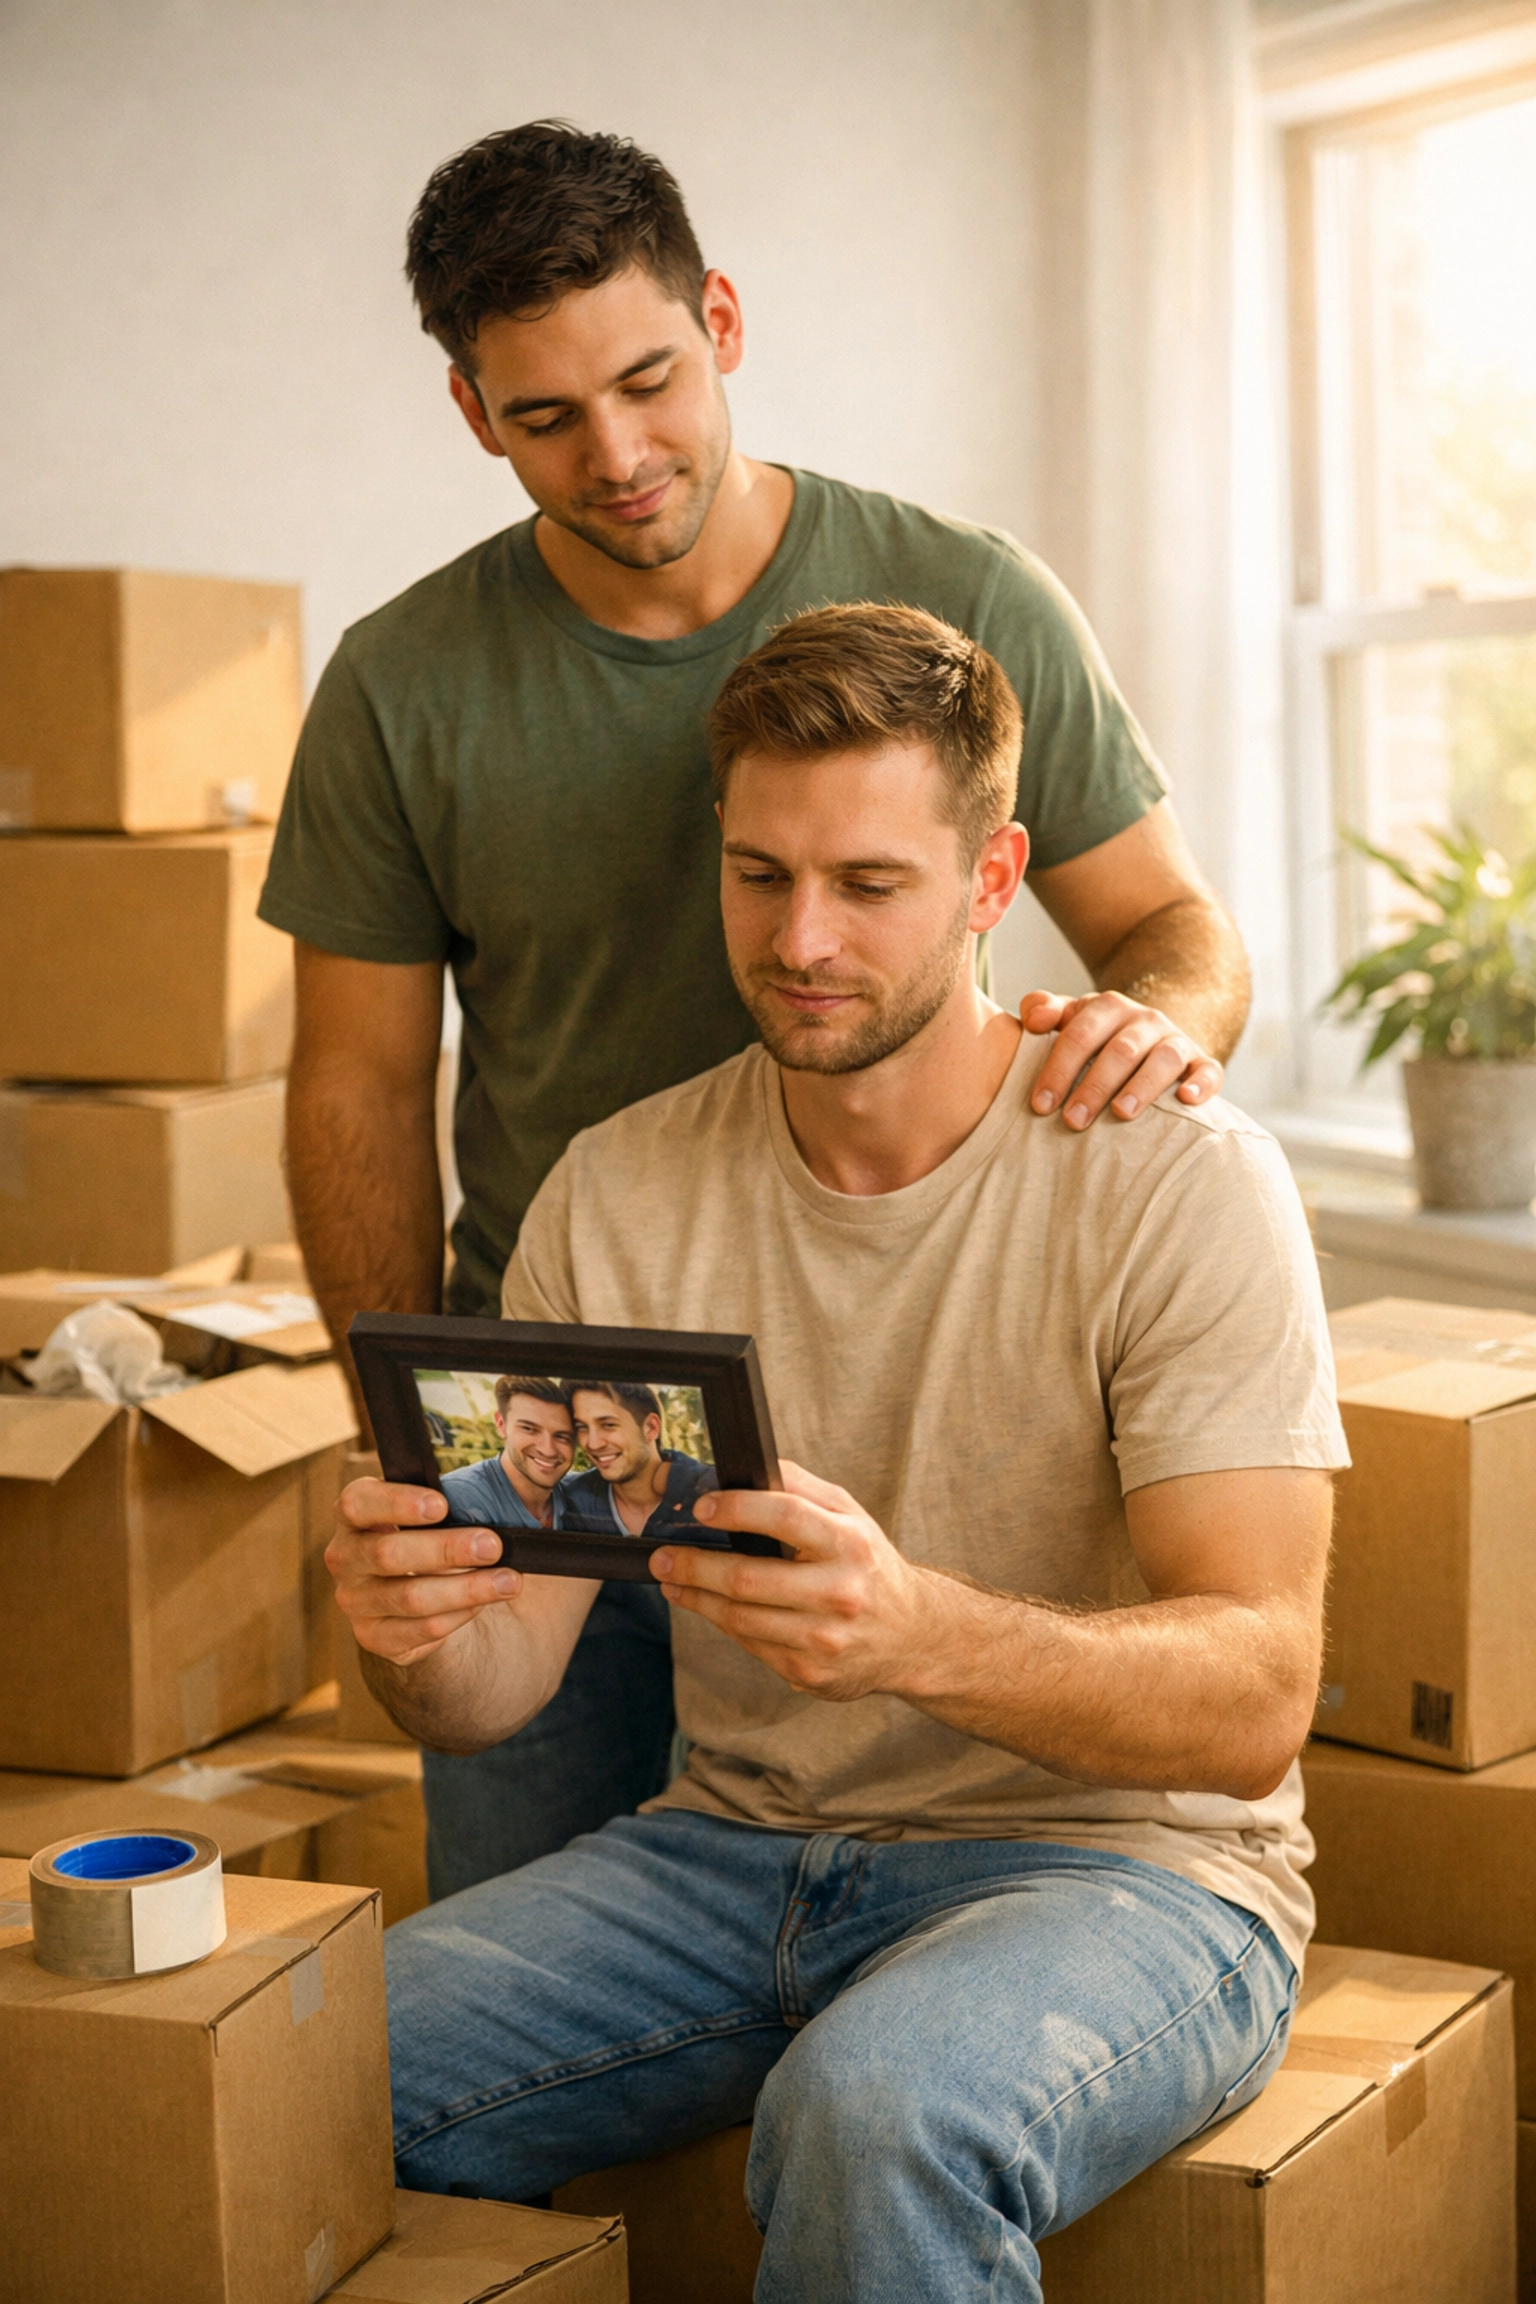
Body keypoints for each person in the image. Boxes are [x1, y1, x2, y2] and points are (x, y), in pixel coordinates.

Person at [265, 120, 1256, 1893]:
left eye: (648, 379)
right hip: (557, 1430)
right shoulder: (401, 686)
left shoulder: (965, 597)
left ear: (720, 319)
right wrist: (418, 1448)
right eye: (545, 416)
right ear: (471, 413)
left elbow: (1171, 927)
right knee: (532, 2020)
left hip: (903, 1418)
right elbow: (353, 1090)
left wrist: (1161, 1024)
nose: (619, 452)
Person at [328, 605, 1345, 2303]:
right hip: (727, 1848)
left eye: (869, 884)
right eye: (758, 874)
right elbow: (494, 1687)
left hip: (1127, 1869)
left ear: (990, 875)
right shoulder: (617, 1189)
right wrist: (413, 1633)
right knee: (286, 2059)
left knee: (873, 2110)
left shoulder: (1178, 1175)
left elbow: (1255, 1695)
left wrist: (918, 1631)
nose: (800, 937)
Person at [560, 1381, 716, 1539]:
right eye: (582, 1427)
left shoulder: (708, 1492)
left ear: (651, 1427)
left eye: (608, 1425)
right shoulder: (572, 1500)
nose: (593, 1444)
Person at [439, 1376, 575, 1529]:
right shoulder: (461, 1496)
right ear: (501, 1424)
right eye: (529, 1429)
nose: (548, 1450)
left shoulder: (580, 1494)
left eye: (562, 1436)